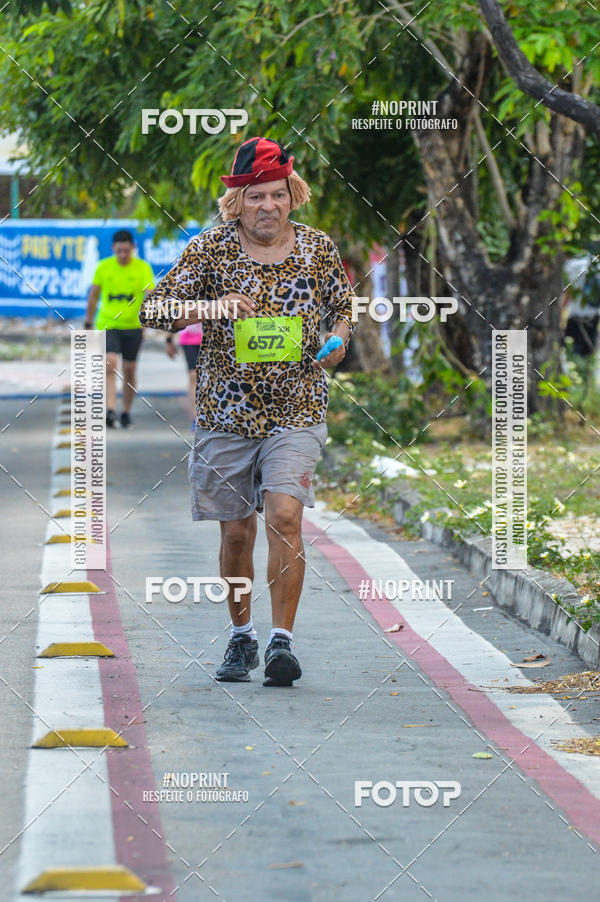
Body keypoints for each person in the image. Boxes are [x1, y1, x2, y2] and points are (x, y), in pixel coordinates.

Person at [139, 136, 354, 687]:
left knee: (285, 516)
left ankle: (282, 642)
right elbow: (153, 310)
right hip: (225, 414)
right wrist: (212, 306)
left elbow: (342, 306)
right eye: (256, 196)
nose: (268, 206)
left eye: (277, 195)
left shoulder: (316, 248)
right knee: (237, 533)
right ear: (237, 202)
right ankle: (242, 636)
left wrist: (338, 338)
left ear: (292, 195)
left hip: (296, 407)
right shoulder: (210, 250)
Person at [84, 229, 155, 428]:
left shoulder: (142, 267)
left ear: (133, 248)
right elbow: (93, 297)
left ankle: (126, 411)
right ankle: (110, 409)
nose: (123, 254)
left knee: (129, 369)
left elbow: (150, 293)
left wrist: (149, 316)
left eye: (126, 250)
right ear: (113, 248)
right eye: (119, 251)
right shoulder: (103, 267)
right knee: (110, 362)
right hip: (109, 323)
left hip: (133, 326)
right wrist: (88, 323)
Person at [165, 323, 203, 421]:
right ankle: (196, 418)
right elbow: (175, 315)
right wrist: (169, 339)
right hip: (189, 337)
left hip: (212, 336)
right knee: (193, 375)